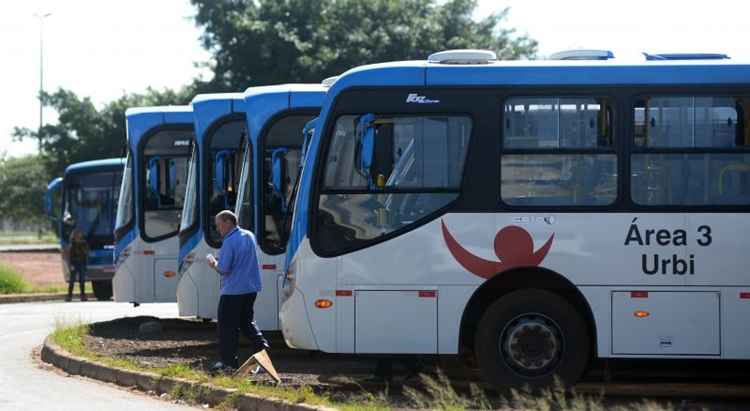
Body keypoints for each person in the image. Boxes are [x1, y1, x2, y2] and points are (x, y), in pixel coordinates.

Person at [207, 210, 269, 372]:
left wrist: (213, 263)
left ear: (228, 222)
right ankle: (262, 353)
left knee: (227, 328)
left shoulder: (229, 241)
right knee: (246, 323)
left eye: (219, 225)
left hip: (233, 291)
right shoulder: (249, 235)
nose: (218, 229)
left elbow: (224, 269)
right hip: (251, 288)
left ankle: (228, 363)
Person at [65, 228, 89, 302]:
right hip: (74, 264)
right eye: (76, 234)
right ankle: (69, 296)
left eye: (79, 234)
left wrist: (85, 264)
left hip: (81, 263)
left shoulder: (84, 243)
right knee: (72, 281)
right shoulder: (72, 244)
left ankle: (83, 296)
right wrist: (70, 265)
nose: (78, 236)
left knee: (82, 281)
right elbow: (69, 256)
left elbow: (86, 253)